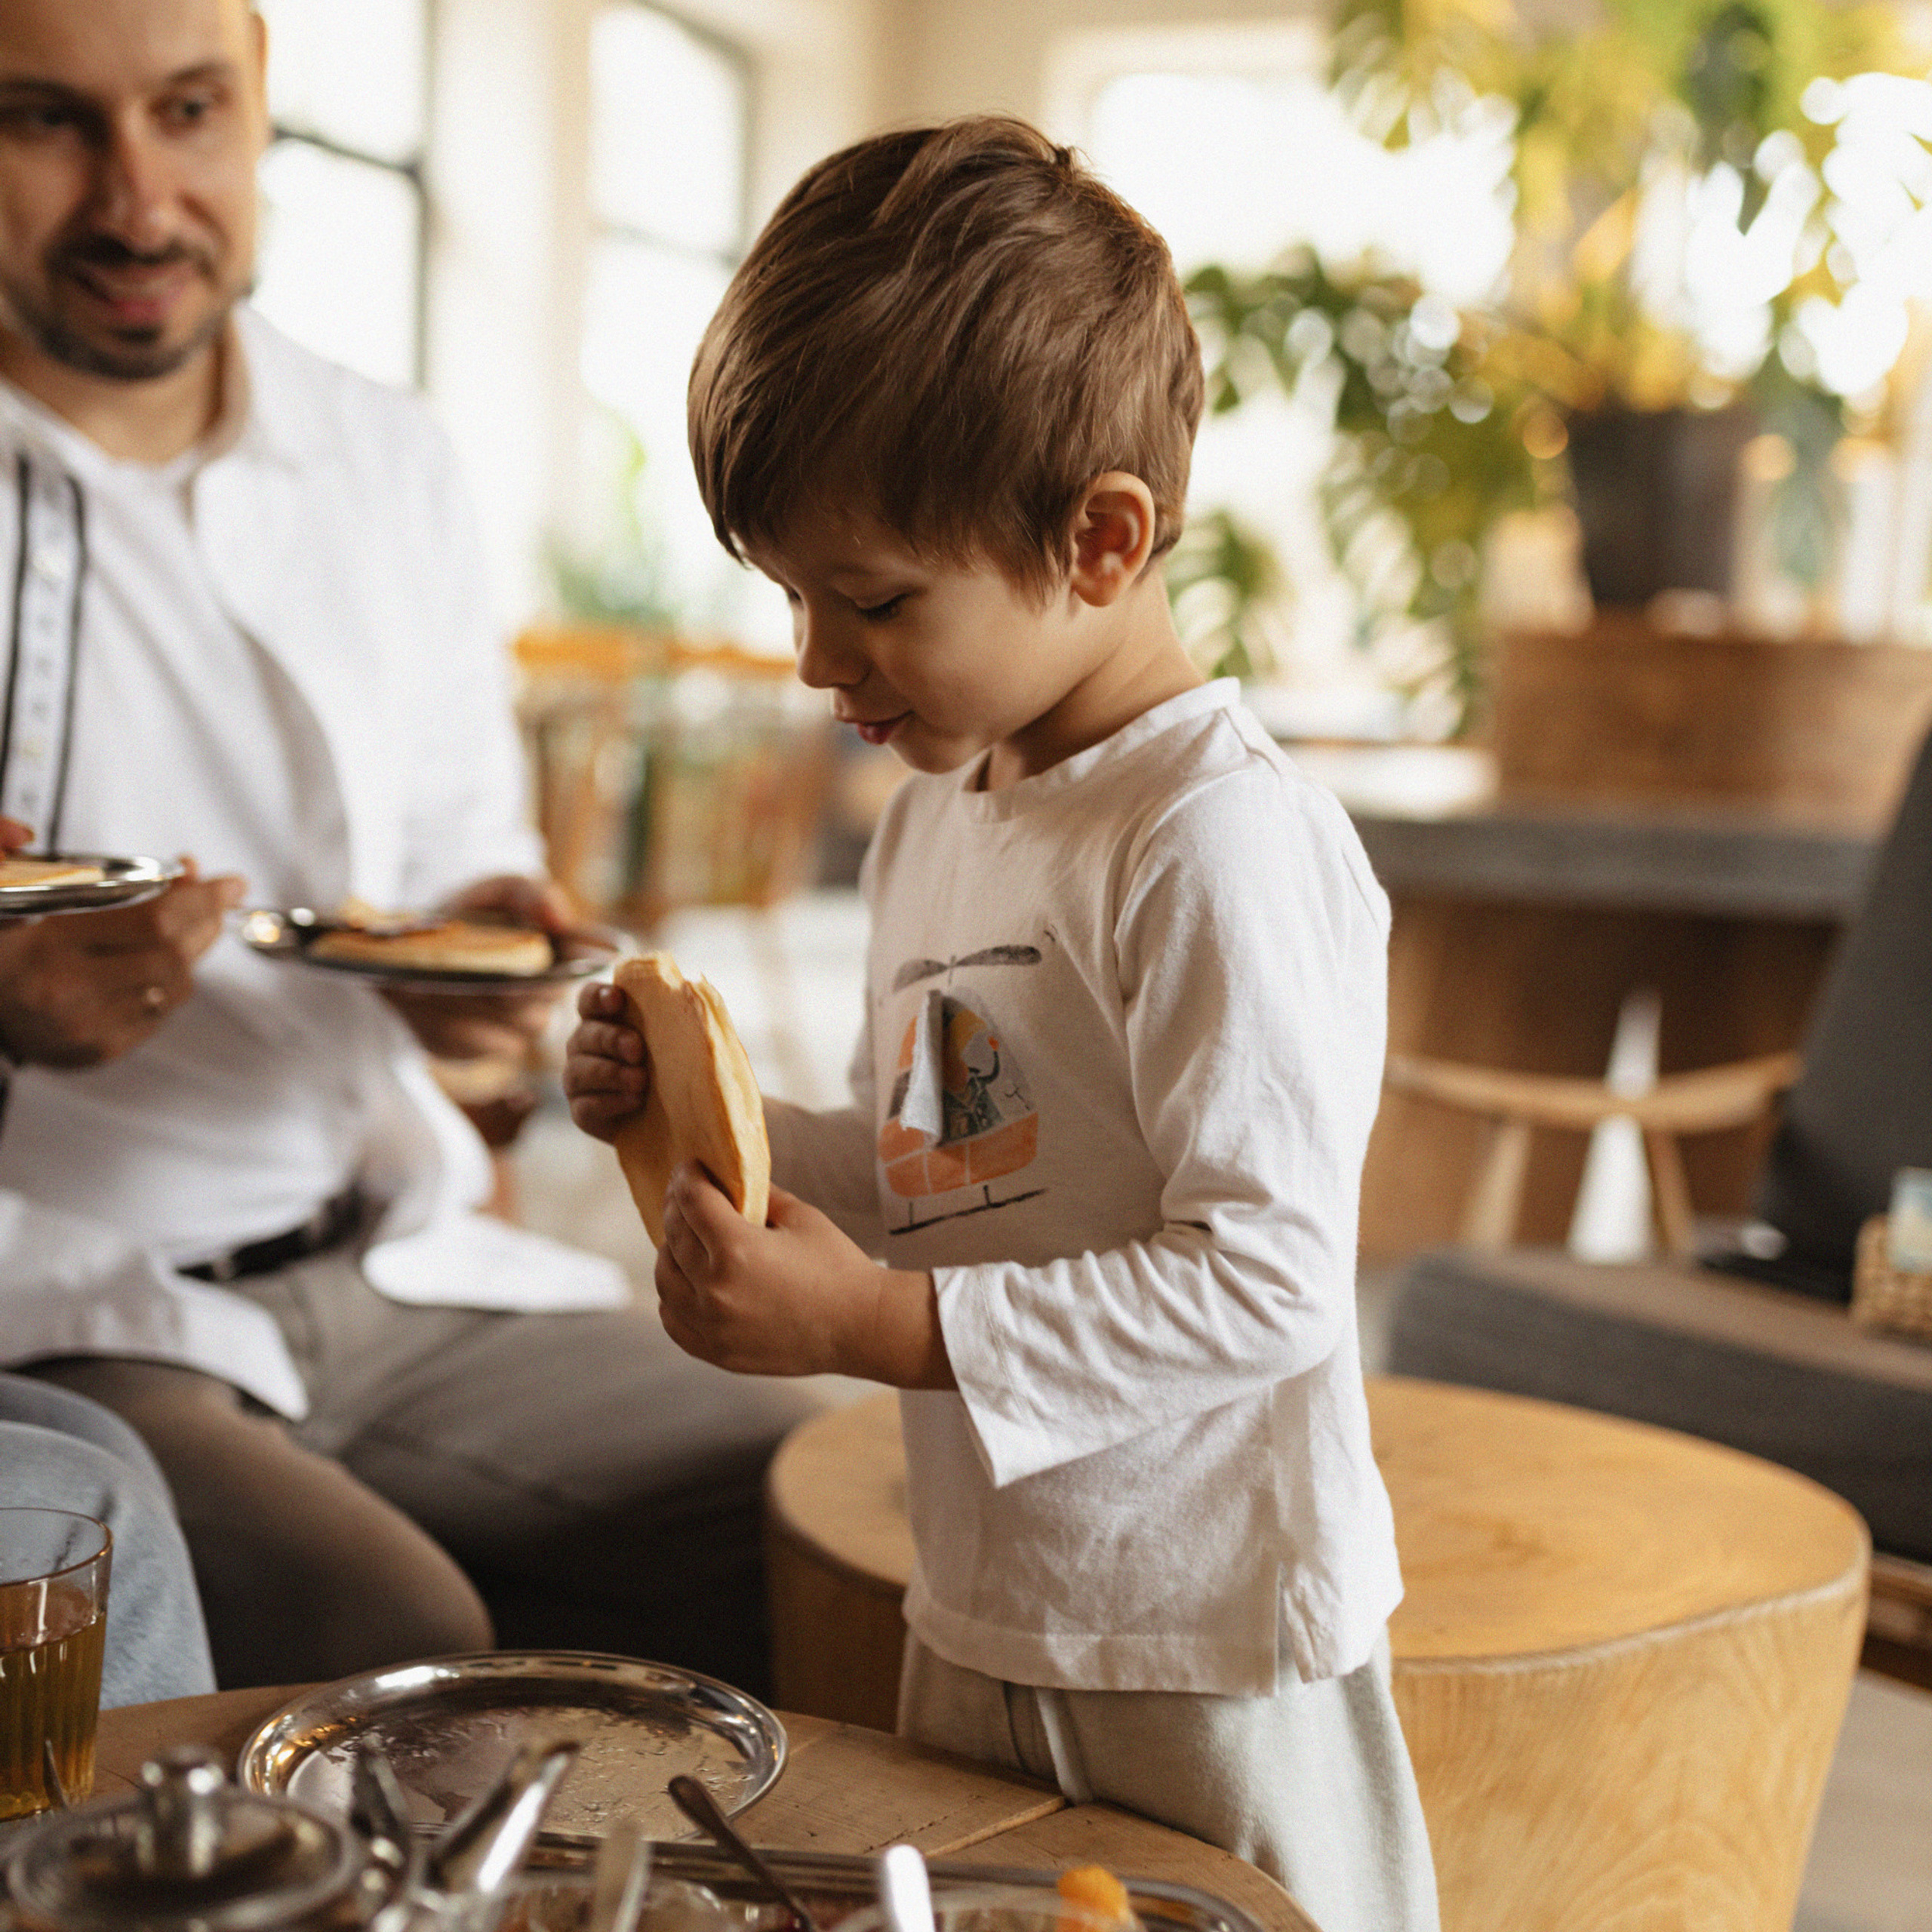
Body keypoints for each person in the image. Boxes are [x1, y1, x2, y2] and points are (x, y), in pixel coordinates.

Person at [565, 118, 1437, 1930]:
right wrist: (718, 1123)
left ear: (1098, 538)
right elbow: (951, 1165)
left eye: (871, 599)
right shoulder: (937, 812)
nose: (815, 656)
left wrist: (881, 1328)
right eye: (790, 592)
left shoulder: (1213, 841)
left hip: (1203, 1631)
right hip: (988, 1588)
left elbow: (1267, 1275)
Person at [0, 0, 819, 1692]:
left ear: (262, 107)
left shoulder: (383, 454)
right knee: (395, 1635)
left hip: (387, 1249)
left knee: (813, 1502)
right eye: (45, 122)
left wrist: (480, 969)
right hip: (60, 1303)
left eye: (189, 111)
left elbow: (461, 850)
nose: (139, 202)